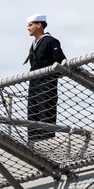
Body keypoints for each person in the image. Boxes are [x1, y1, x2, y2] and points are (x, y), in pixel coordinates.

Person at [24, 14, 66, 142]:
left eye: (30, 25)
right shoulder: (34, 44)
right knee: (32, 117)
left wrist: (49, 79)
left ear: (39, 25)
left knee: (46, 116)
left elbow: (61, 63)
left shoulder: (50, 41)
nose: (28, 28)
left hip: (46, 86)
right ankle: (32, 145)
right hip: (34, 86)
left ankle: (47, 144)